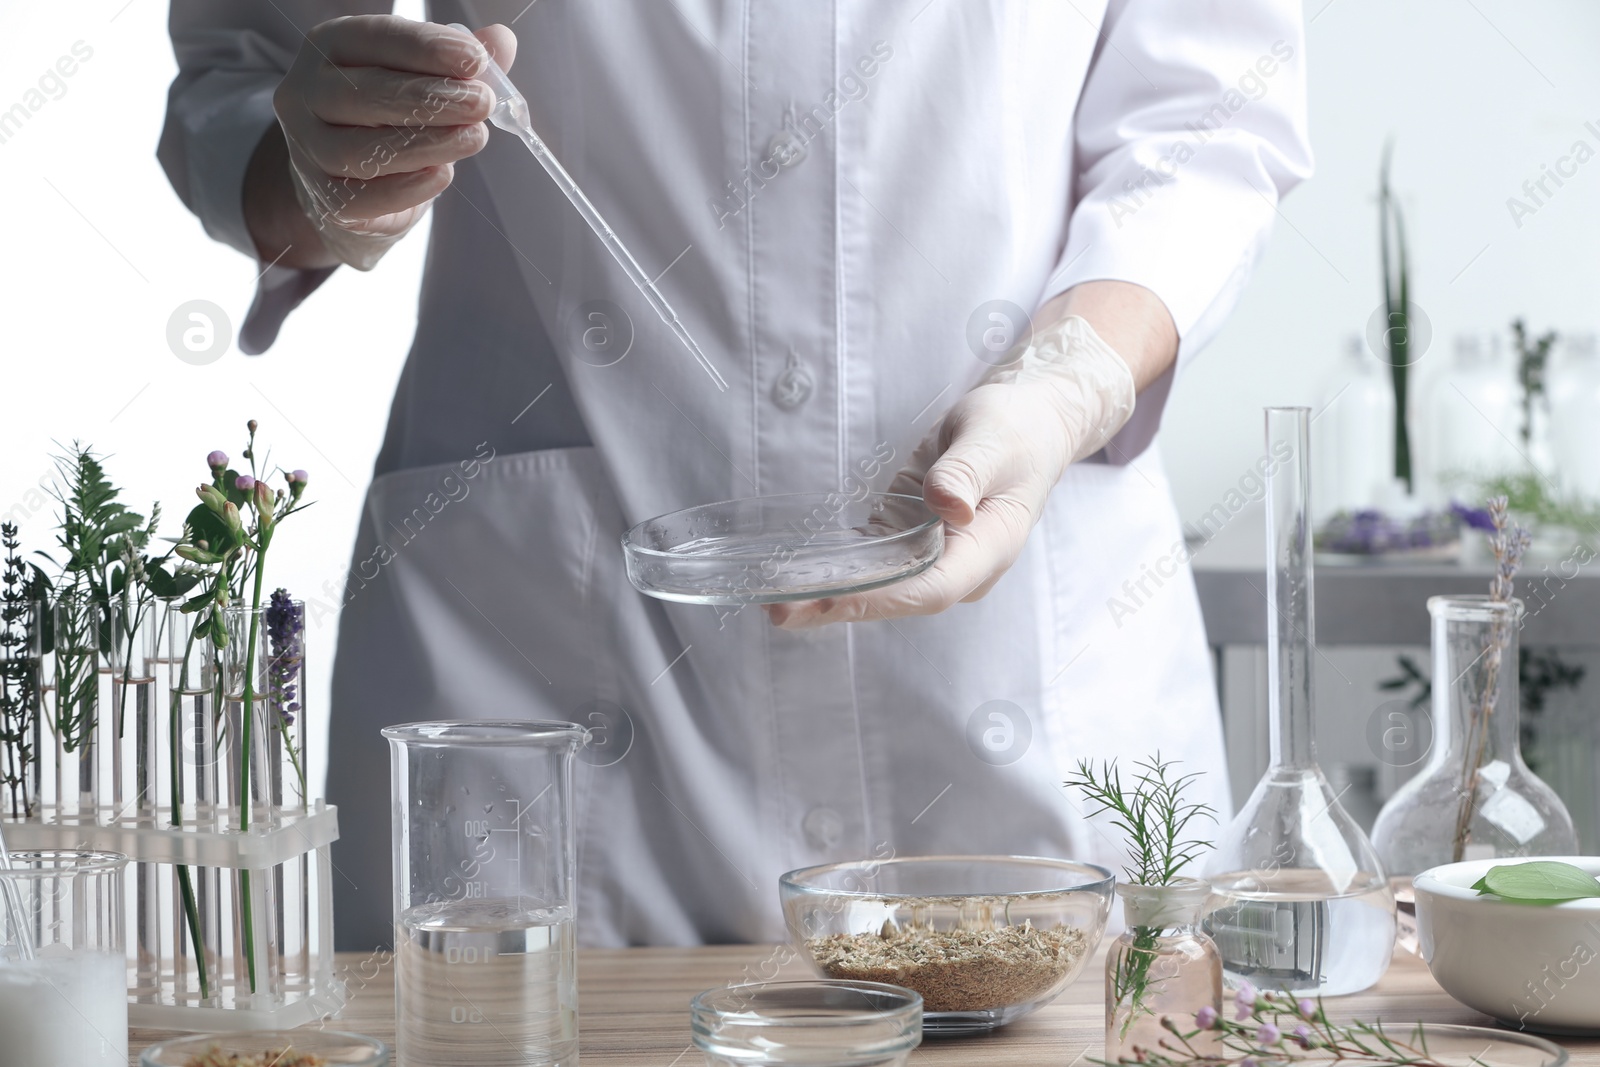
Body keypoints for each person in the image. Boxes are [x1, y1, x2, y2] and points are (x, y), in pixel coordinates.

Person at [161, 1, 1312, 950]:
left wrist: (1065, 386)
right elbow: (242, 77)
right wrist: (317, 162)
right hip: (549, 650)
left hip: (1015, 647)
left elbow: (1207, 117)